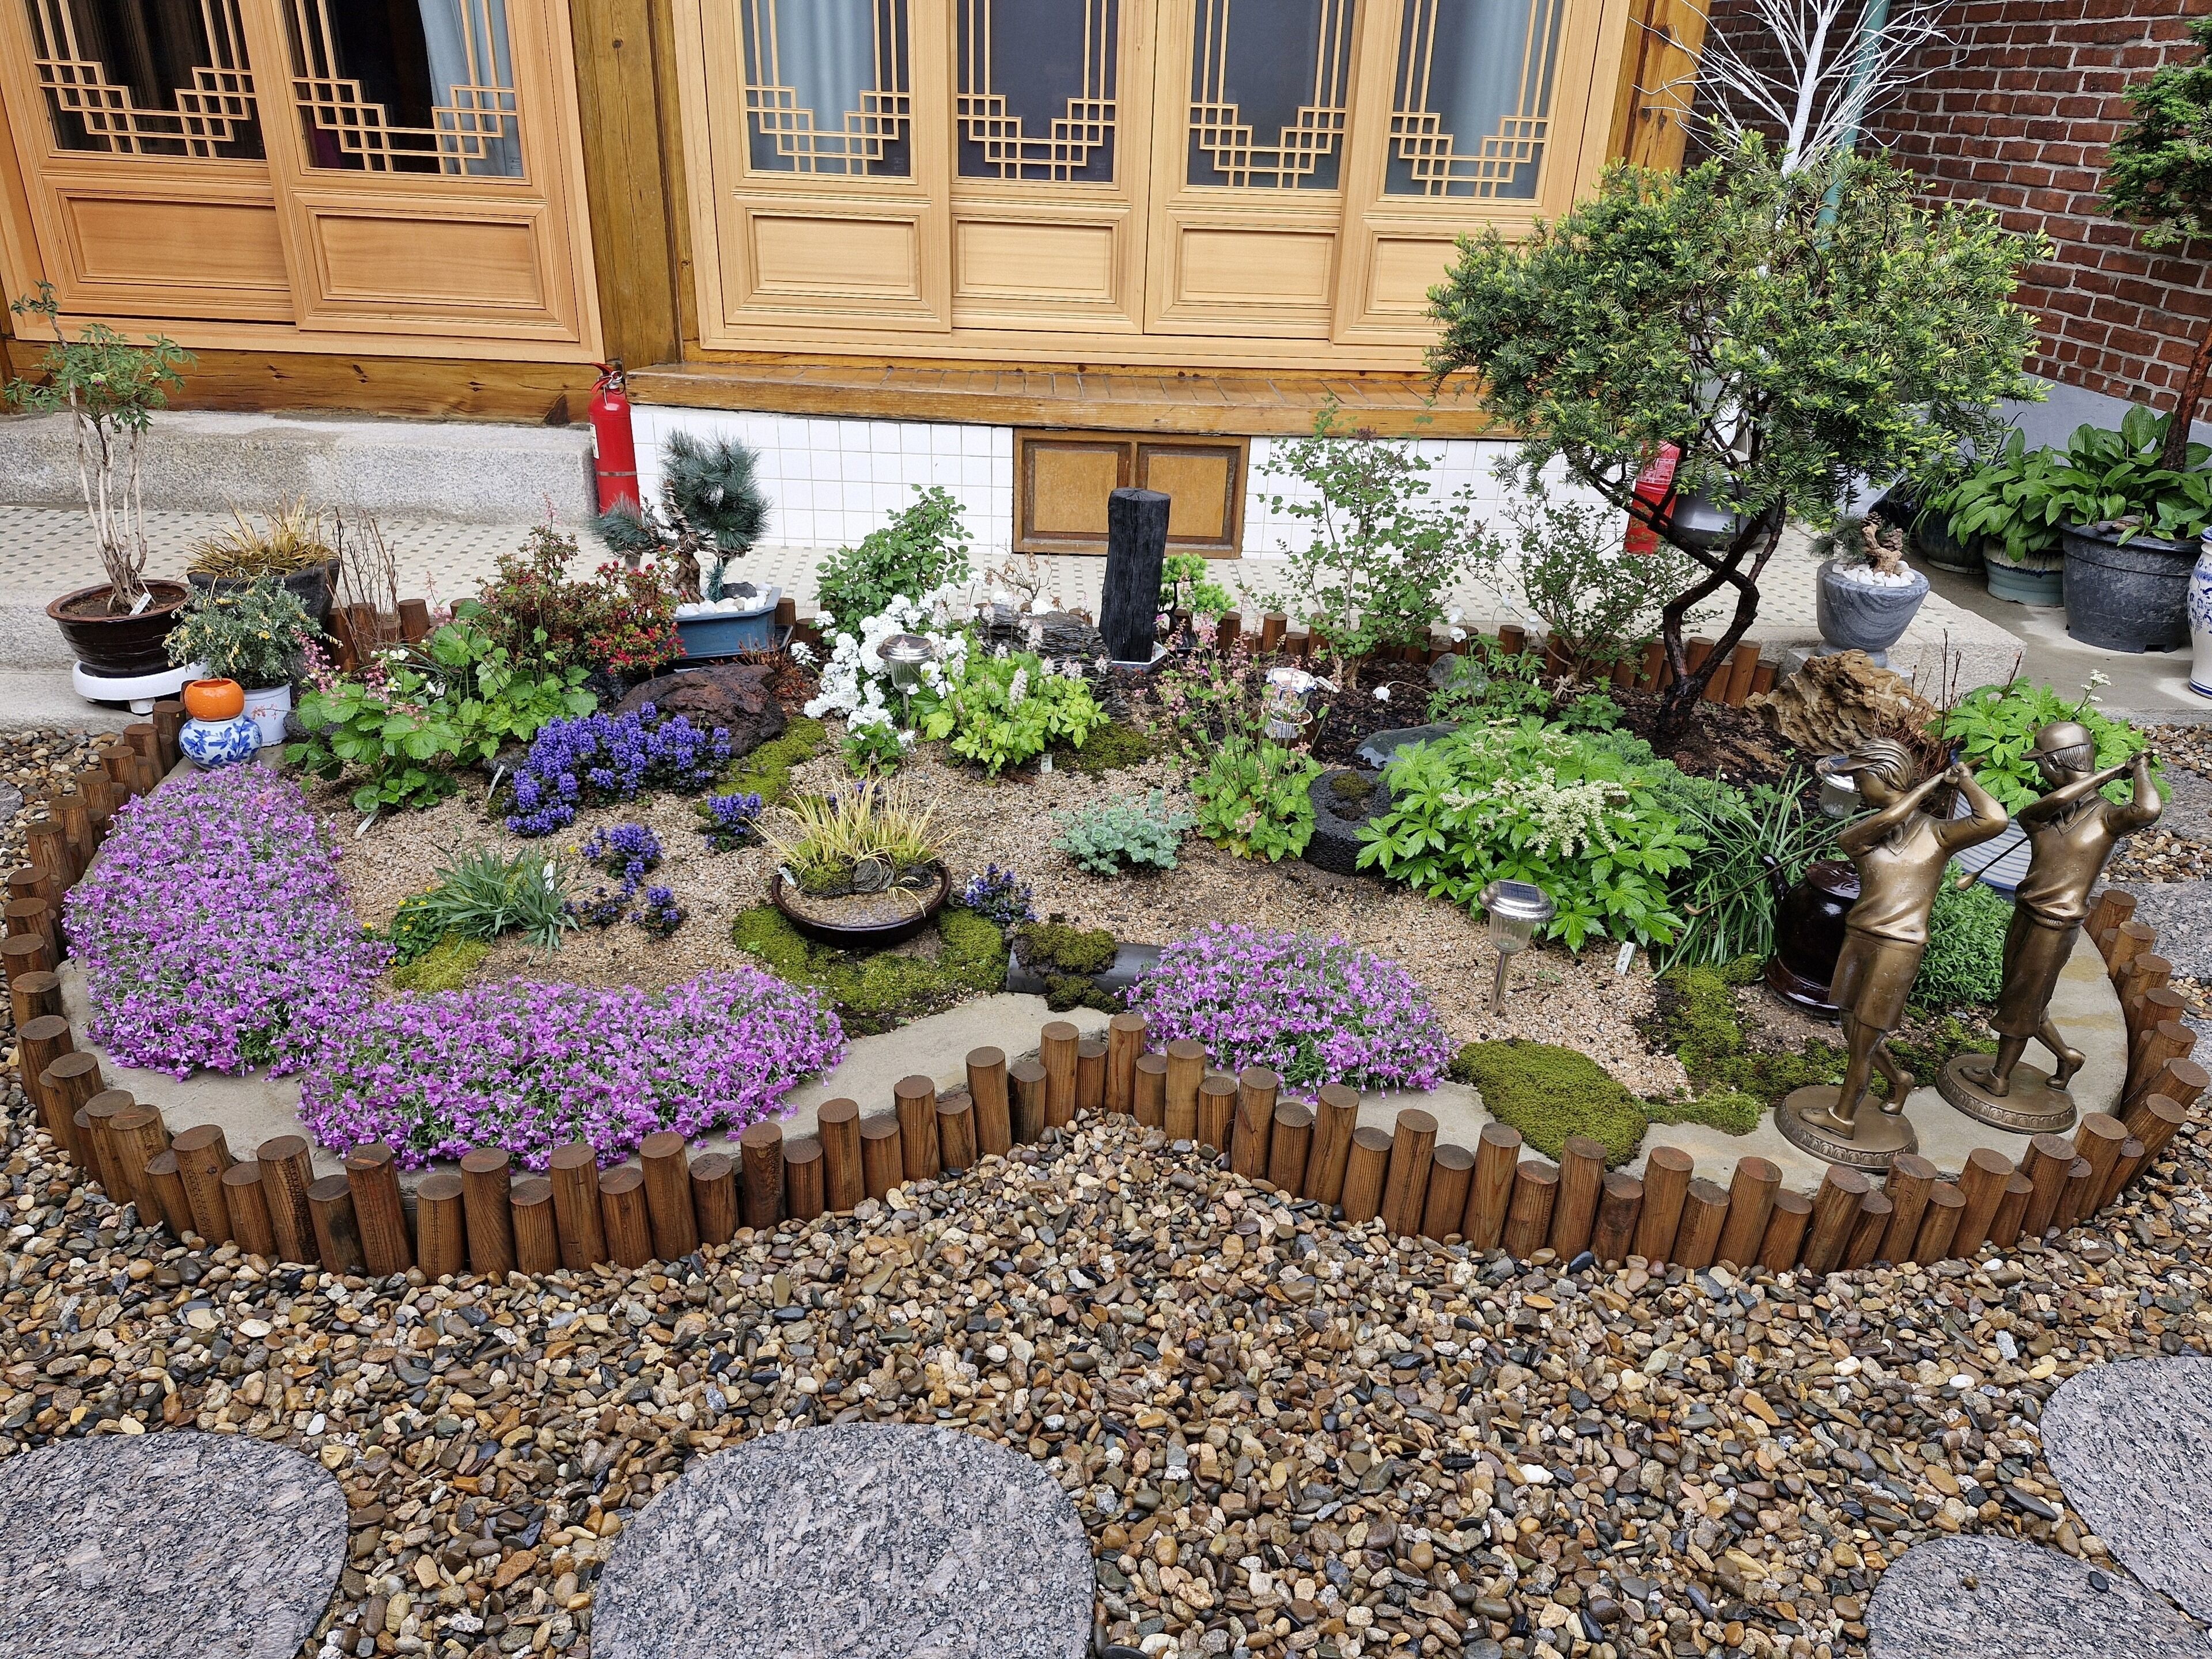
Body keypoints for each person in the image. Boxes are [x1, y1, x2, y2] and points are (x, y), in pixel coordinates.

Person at [1811, 741, 2008, 1135]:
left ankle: (1843, 1117)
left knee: (1865, 1037)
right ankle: (1899, 1080)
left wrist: (1965, 782)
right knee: (1854, 1028)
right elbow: (1890, 818)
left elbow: (1995, 820)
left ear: (1883, 775)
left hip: (1898, 949)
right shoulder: (1861, 836)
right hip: (1859, 940)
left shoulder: (1939, 835)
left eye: (1860, 776)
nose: (1856, 785)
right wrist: (1925, 789)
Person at [1980, 724, 2161, 1096]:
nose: (2039, 772)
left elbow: (2148, 809)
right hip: (2026, 915)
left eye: (2041, 763)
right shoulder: (2044, 816)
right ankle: (2067, 1056)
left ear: (2056, 762)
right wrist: (2102, 776)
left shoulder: (2108, 819)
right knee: (2024, 996)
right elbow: (2035, 811)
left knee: (2023, 1001)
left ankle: (1999, 1077)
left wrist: (2140, 769)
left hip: (2055, 926)